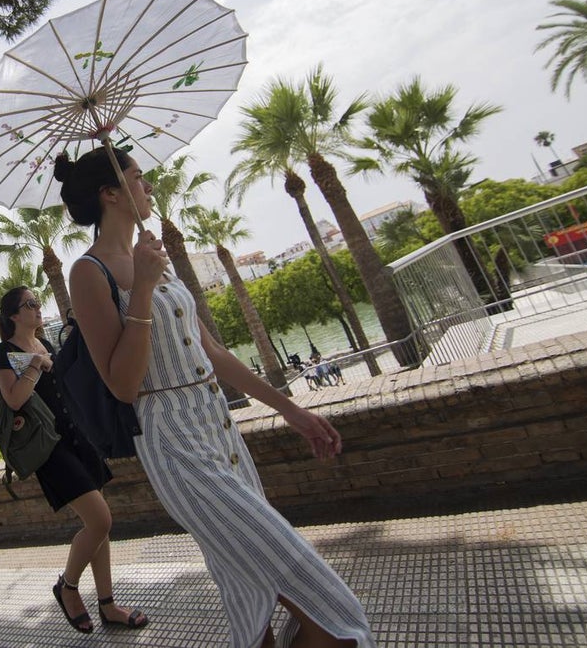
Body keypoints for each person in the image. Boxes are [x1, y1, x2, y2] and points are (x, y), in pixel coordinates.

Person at [55, 146, 374, 648]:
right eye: (139, 178)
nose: (148, 188)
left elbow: (213, 353)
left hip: (219, 428)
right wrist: (140, 288)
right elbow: (122, 384)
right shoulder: (87, 272)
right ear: (110, 193)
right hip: (173, 443)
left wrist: (292, 411)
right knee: (314, 590)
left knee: (245, 582)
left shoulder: (154, 256)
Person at [0, 287, 148, 634]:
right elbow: (15, 399)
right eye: (30, 304)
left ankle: (108, 605)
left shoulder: (46, 344)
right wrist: (36, 365)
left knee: (100, 528)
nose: (38, 308)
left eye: (37, 302)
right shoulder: (6, 352)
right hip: (51, 449)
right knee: (101, 521)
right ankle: (68, 586)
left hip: (79, 439)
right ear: (14, 315)